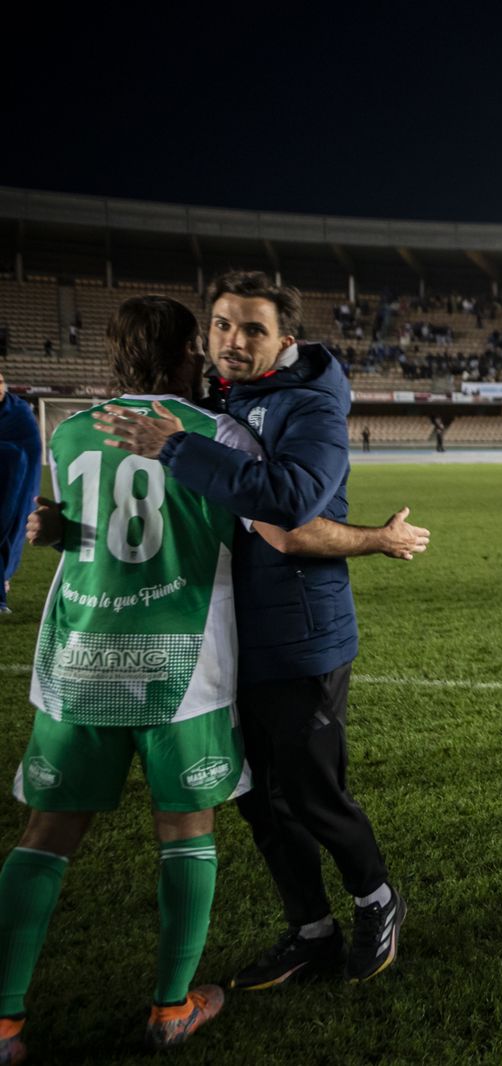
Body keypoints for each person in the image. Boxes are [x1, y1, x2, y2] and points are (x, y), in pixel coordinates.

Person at [91, 271, 428, 988]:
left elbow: (292, 502)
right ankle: (311, 930)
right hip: (229, 635)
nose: (232, 341)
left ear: (285, 340)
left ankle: (378, 899)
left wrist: (177, 447)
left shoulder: (310, 406)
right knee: (256, 798)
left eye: (252, 329)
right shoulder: (223, 401)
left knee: (310, 791)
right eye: (221, 325)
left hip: (299, 633)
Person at [0, 295, 263, 1059]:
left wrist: (55, 528)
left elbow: (91, 526)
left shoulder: (70, 430)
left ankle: (5, 1020)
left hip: (81, 654)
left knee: (46, 834)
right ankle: (171, 1008)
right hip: (182, 661)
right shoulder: (219, 433)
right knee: (185, 830)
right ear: (187, 351)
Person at [0, 373, 41, 614]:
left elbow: (29, 451)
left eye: (0, 382)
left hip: (15, 481)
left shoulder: (19, 413)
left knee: (9, 529)